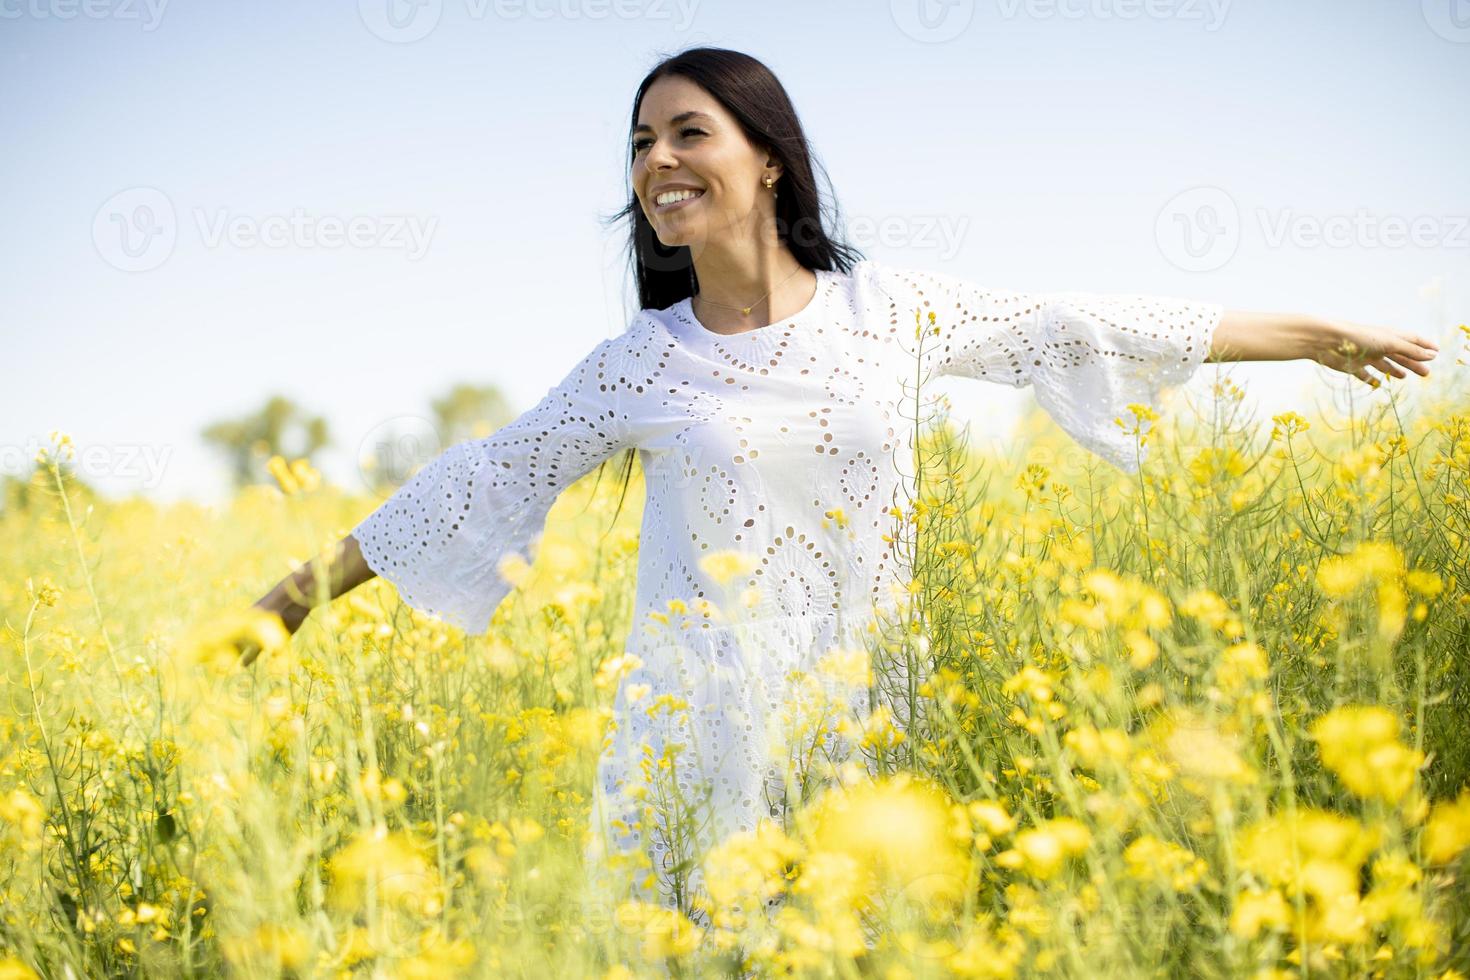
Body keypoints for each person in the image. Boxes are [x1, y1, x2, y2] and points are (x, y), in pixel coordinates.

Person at [240, 45, 1439, 944]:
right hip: (691, 738)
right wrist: (293, 598)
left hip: (864, 707)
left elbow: (1082, 321)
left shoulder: (892, 311)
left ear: (766, 155)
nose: (657, 162)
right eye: (641, 143)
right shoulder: (643, 359)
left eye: (688, 133)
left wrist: (1314, 332)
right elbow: (487, 478)